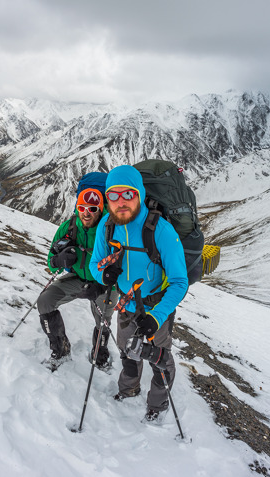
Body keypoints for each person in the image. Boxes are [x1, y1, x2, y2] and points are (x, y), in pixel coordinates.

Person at [89, 165, 188, 421]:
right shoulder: (106, 227)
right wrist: (104, 275)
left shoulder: (161, 231)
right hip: (125, 303)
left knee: (160, 358)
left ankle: (158, 404)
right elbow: (94, 263)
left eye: (128, 194)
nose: (120, 202)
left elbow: (179, 281)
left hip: (156, 306)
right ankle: (129, 388)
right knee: (126, 350)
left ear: (140, 194)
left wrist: (156, 316)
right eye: (113, 195)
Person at [37, 188, 115, 370]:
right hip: (77, 278)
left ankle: (100, 353)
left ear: (101, 209)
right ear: (77, 208)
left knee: (103, 319)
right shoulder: (68, 227)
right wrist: (59, 259)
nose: (86, 213)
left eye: (93, 209)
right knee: (45, 301)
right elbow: (50, 262)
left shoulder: (111, 229)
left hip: (104, 283)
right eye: (82, 207)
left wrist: (103, 286)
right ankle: (61, 349)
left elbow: (122, 267)